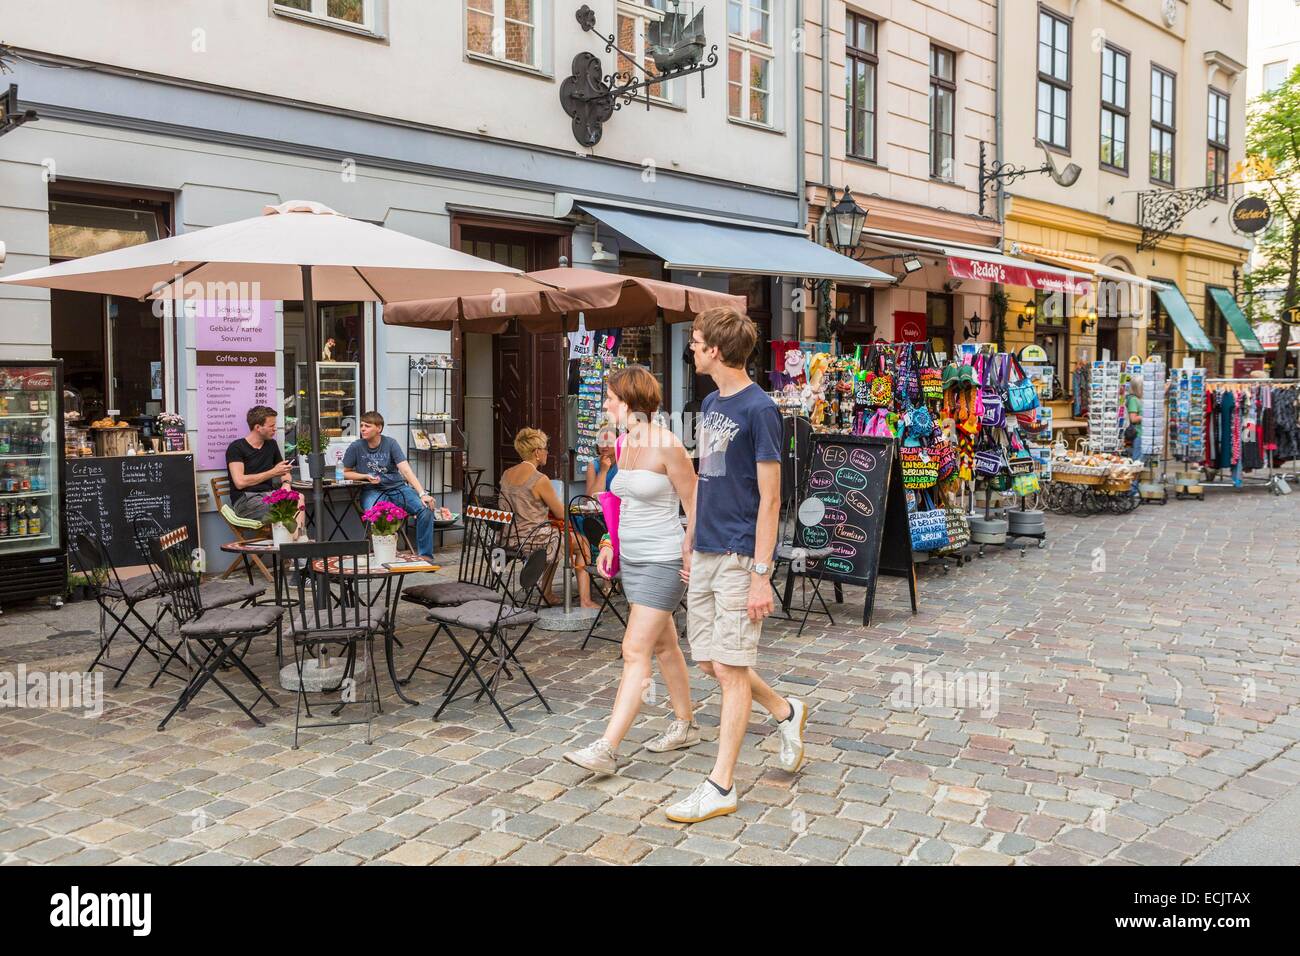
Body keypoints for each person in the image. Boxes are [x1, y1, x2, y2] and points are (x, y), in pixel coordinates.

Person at [664, 307, 808, 825]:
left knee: (729, 670)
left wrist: (760, 574)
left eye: (697, 342)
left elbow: (771, 500)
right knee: (712, 662)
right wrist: (689, 534)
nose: (693, 348)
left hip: (740, 554)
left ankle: (721, 783)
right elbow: (708, 475)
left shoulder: (761, 410)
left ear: (716, 351)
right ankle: (785, 711)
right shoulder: (709, 401)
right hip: (705, 547)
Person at [563, 367, 699, 774]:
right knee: (664, 645)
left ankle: (607, 748)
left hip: (663, 558)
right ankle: (686, 724)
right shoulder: (622, 445)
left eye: (610, 398)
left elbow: (695, 504)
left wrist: (690, 552)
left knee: (634, 649)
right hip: (634, 560)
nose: (605, 404)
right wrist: (607, 543)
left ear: (630, 400)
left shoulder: (669, 446)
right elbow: (620, 504)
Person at [499, 427, 596, 609]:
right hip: (534, 538)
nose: (547, 452)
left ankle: (547, 592)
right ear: (537, 452)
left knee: (558, 538)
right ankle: (586, 601)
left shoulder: (506, 474)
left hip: (509, 537)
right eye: (545, 449)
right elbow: (560, 513)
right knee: (580, 543)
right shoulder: (539, 479)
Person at [342, 411, 436, 559]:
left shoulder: (390, 443)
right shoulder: (356, 447)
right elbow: (343, 473)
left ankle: (425, 555)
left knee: (425, 509)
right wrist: (365, 476)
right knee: (375, 514)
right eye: (361, 425)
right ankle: (387, 551)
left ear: (379, 428)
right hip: (372, 490)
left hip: (398, 488)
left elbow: (405, 470)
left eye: (367, 426)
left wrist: (422, 494)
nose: (363, 429)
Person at [225, 406, 302, 526]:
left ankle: (296, 540)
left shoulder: (271, 444)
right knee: (282, 509)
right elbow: (240, 482)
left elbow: (284, 470)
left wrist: (286, 484)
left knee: (298, 498)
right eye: (271, 426)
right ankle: (288, 542)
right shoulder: (236, 448)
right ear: (258, 427)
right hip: (245, 500)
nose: (275, 429)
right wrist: (272, 473)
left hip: (268, 496)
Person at [584, 426, 619, 496]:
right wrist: (603, 471)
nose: (604, 445)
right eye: (601, 442)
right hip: (600, 505)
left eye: (609, 442)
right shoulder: (593, 465)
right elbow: (591, 498)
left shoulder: (624, 463)